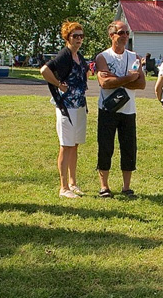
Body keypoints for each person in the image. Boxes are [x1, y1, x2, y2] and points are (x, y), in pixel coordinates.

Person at [95, 20, 146, 198]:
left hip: (128, 110)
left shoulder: (134, 57)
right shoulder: (103, 57)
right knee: (105, 147)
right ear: (111, 35)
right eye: (121, 33)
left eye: (127, 33)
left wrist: (117, 79)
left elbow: (141, 83)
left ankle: (126, 187)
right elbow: (104, 83)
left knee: (129, 148)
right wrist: (128, 78)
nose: (125, 36)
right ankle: (104, 186)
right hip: (108, 109)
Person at [41, 21, 89, 198]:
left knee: (74, 145)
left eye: (81, 36)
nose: (79, 39)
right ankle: (64, 187)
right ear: (67, 37)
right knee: (66, 145)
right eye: (75, 36)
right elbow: (44, 70)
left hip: (79, 106)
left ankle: (73, 183)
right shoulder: (64, 55)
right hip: (66, 107)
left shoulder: (79, 56)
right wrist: (58, 84)